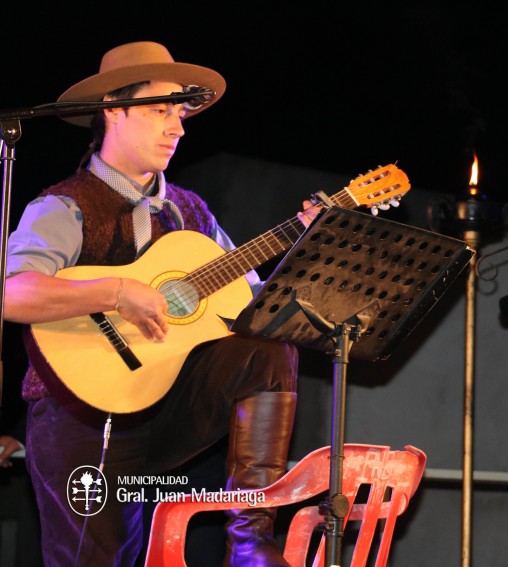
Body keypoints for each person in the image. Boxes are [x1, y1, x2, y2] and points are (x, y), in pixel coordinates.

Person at [3, 41, 316, 566]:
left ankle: (251, 539)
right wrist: (117, 291)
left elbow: (253, 301)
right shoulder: (65, 205)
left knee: (266, 349)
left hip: (164, 408)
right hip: (80, 416)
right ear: (113, 111)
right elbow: (14, 294)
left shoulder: (192, 211)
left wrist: (305, 251)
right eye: (160, 110)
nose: (178, 126)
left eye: (181, 112)